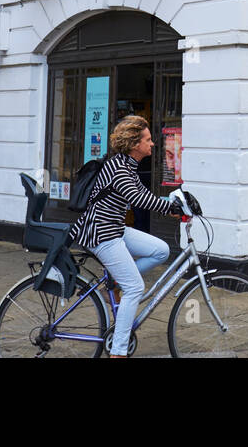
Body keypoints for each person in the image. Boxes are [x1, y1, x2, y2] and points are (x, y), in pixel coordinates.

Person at [67, 115, 183, 358]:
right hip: (101, 233)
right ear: (134, 143)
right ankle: (118, 352)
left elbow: (143, 193)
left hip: (115, 229)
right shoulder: (119, 168)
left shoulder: (127, 164)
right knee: (135, 288)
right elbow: (138, 198)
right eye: (148, 140)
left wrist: (172, 203)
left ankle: (116, 282)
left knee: (161, 250)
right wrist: (170, 209)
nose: (152, 144)